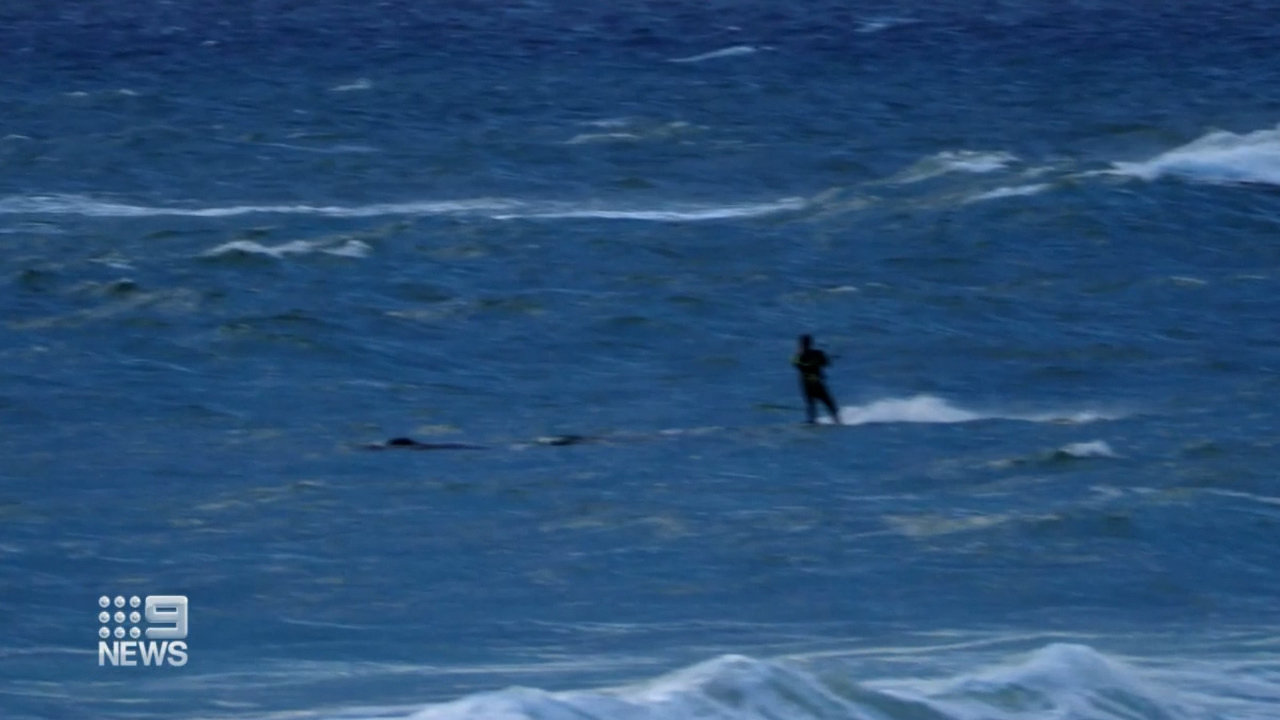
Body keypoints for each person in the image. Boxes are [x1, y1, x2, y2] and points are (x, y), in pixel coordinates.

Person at [792, 334, 841, 424]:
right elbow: (827, 363)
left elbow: (795, 365)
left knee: (811, 405)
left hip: (806, 384)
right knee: (829, 404)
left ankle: (812, 422)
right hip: (816, 383)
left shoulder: (798, 356)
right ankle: (837, 422)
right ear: (810, 343)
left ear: (801, 345)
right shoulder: (817, 353)